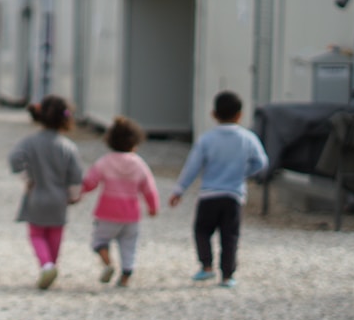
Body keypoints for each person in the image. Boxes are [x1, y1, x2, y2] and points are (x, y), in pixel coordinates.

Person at [167, 91, 269, 288]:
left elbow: (192, 167)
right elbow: (262, 162)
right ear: (240, 115)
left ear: (213, 114)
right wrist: (245, 172)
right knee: (229, 236)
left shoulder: (207, 139)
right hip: (234, 195)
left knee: (202, 230)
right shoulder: (247, 138)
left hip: (209, 195)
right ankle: (227, 276)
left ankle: (206, 267)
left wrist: (179, 190)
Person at [9, 95, 84, 289]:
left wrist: (27, 177)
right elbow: (76, 174)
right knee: (55, 233)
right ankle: (53, 264)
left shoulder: (30, 142)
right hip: (59, 197)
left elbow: (14, 159)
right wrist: (74, 194)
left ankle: (46, 265)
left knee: (36, 233)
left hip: (37, 194)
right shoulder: (68, 146)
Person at [80, 116, 159, 287]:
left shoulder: (104, 162)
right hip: (131, 214)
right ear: (135, 143)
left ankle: (108, 263)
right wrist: (153, 207)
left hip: (107, 212)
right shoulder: (139, 164)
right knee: (128, 245)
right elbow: (149, 187)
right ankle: (126, 275)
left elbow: (90, 182)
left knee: (99, 240)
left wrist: (78, 192)